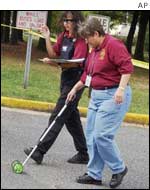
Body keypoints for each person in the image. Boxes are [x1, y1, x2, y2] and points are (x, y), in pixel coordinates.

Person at [66, 17, 134, 188]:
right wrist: (74, 89)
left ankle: (119, 168)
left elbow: (127, 68)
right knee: (91, 137)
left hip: (112, 95)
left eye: (88, 38)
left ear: (96, 33)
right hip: (96, 96)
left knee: (102, 135)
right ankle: (94, 174)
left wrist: (120, 90)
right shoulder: (94, 49)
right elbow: (88, 74)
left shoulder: (114, 45)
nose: (86, 42)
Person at [24, 11, 89, 165]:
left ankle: (39, 151)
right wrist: (47, 37)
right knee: (70, 117)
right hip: (65, 77)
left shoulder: (81, 40)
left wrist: (54, 63)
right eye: (65, 20)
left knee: (58, 115)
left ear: (77, 21)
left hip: (76, 79)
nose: (66, 23)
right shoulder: (63, 36)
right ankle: (83, 152)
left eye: (70, 20)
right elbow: (53, 53)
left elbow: (76, 62)